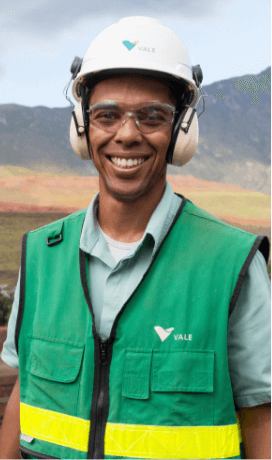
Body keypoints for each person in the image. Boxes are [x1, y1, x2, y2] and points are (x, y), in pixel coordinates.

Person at [0, 16, 270, 460]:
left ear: (181, 131)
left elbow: (262, 417)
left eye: (152, 116)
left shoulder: (232, 264)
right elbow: (23, 397)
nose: (127, 134)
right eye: (106, 115)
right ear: (82, 126)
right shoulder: (40, 257)